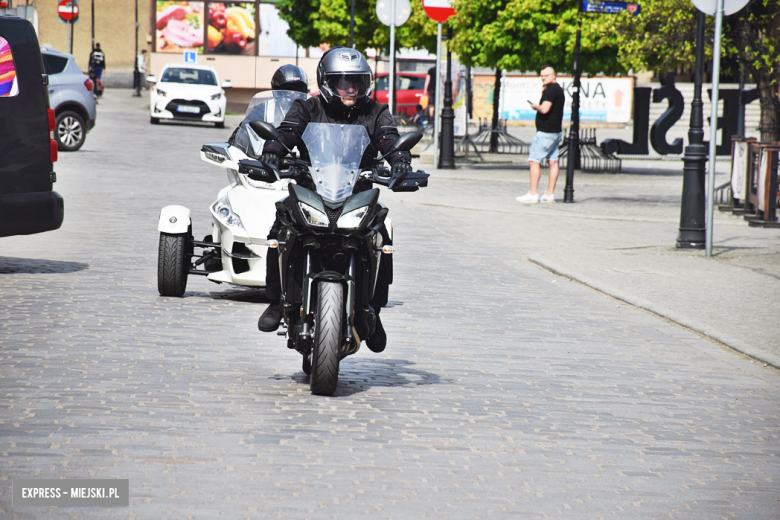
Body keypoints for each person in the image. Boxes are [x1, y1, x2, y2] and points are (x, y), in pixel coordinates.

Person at [257, 47, 412, 353]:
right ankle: (276, 301)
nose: (351, 88)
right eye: (343, 81)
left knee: (383, 235)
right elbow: (288, 132)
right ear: (327, 82)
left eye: (356, 81)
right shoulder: (307, 107)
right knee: (279, 229)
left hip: (356, 191)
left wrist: (401, 162)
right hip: (311, 187)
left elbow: (390, 139)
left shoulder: (375, 112)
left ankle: (374, 311)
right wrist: (274, 151)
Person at [517, 65, 565, 204]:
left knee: (534, 160)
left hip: (545, 132)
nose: (543, 78)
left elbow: (544, 109)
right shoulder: (558, 90)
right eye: (541, 76)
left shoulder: (551, 91)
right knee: (553, 161)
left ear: (554, 75)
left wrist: (535, 106)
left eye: (546, 75)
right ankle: (549, 194)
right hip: (556, 131)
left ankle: (533, 194)